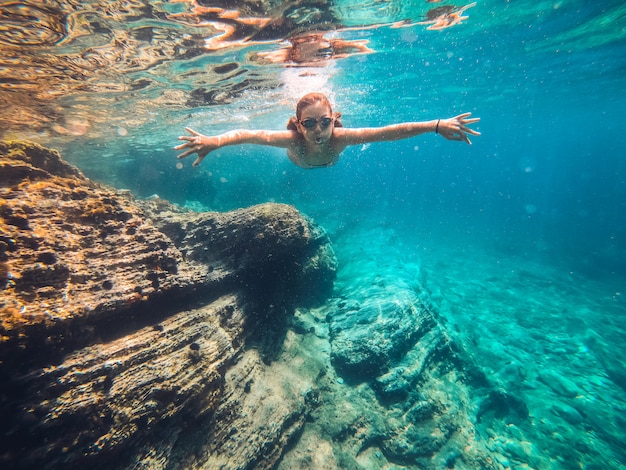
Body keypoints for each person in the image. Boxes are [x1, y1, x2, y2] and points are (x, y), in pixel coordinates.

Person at [175, 92, 480, 169]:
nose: (318, 129)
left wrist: (436, 126)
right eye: (309, 123)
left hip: (328, 162)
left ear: (335, 119)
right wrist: (213, 142)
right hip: (299, 165)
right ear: (298, 125)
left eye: (325, 121)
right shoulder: (290, 139)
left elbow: (388, 131)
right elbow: (248, 134)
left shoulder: (341, 137)